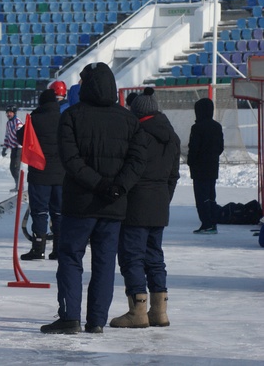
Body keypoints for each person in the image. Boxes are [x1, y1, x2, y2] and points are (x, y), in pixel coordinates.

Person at [41, 62, 147, 335]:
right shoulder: (129, 120)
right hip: (113, 204)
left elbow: (71, 160)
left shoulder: (72, 116)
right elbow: (137, 161)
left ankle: (70, 317)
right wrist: (117, 187)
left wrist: (98, 184)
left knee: (70, 258)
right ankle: (97, 320)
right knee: (104, 261)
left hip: (79, 203)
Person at [110, 91, 180, 329]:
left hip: (137, 203)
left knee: (132, 256)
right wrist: (163, 199)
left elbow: (130, 169)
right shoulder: (172, 136)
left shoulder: (137, 134)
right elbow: (173, 175)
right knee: (155, 257)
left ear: (138, 112)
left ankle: (137, 311)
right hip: (160, 203)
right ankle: (159, 311)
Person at [16, 89, 64, 261]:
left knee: (40, 212)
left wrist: (35, 115)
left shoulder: (35, 120)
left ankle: (38, 248)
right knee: (59, 213)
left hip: (39, 174)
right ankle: (58, 249)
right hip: (61, 175)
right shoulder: (64, 119)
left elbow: (20, 137)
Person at [188, 97, 224, 234]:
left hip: (199, 168)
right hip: (213, 166)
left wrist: (191, 162)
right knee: (211, 196)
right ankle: (212, 222)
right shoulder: (217, 126)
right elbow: (220, 147)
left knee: (201, 197)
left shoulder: (197, 128)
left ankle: (206, 223)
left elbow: (194, 148)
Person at [2, 104, 23, 193]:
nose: (8, 114)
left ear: (14, 113)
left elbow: (21, 135)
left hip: (19, 148)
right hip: (13, 148)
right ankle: (17, 184)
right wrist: (4, 148)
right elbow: (7, 136)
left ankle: (19, 187)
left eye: (10, 112)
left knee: (16, 167)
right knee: (12, 168)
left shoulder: (18, 122)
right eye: (7, 113)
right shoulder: (8, 123)